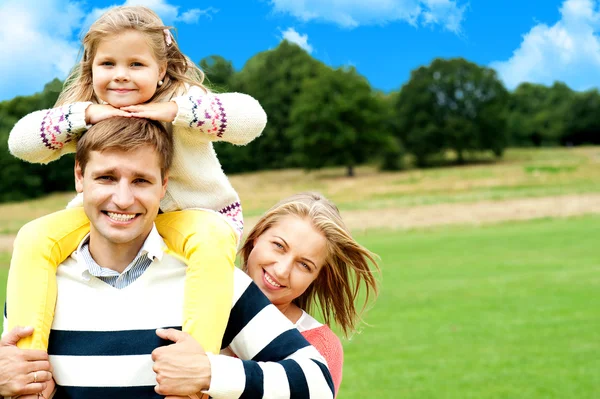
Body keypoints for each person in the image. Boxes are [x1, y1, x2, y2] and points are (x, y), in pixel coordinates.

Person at [2, 116, 334, 399]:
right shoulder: (41, 282)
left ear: (164, 186)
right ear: (79, 176)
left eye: (141, 181)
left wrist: (211, 373)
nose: (122, 198)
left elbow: (319, 382)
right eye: (106, 177)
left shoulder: (214, 279)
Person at [6, 5, 266, 358]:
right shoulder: (87, 113)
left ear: (160, 70)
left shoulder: (182, 102)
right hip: (108, 214)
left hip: (191, 215)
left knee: (212, 240)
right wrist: (84, 115)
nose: (121, 76)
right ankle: (26, 361)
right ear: (92, 67)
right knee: (34, 236)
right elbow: (20, 143)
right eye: (108, 64)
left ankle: (197, 359)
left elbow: (252, 119)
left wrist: (177, 113)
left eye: (136, 65)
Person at [240, 192, 381, 396]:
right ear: (256, 236)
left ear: (317, 277)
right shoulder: (192, 297)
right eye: (279, 246)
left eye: (304, 265)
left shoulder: (320, 348)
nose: (282, 271)